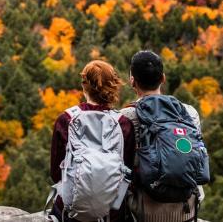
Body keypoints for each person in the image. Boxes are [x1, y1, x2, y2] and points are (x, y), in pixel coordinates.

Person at [122, 50, 206, 222]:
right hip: (186, 210)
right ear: (163, 78)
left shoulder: (125, 117)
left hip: (144, 211)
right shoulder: (189, 112)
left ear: (132, 81)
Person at [49, 60, 135, 222]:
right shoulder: (123, 123)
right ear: (113, 87)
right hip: (111, 212)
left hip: (72, 211)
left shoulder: (66, 119)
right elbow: (127, 174)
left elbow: (56, 174)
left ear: (84, 86)